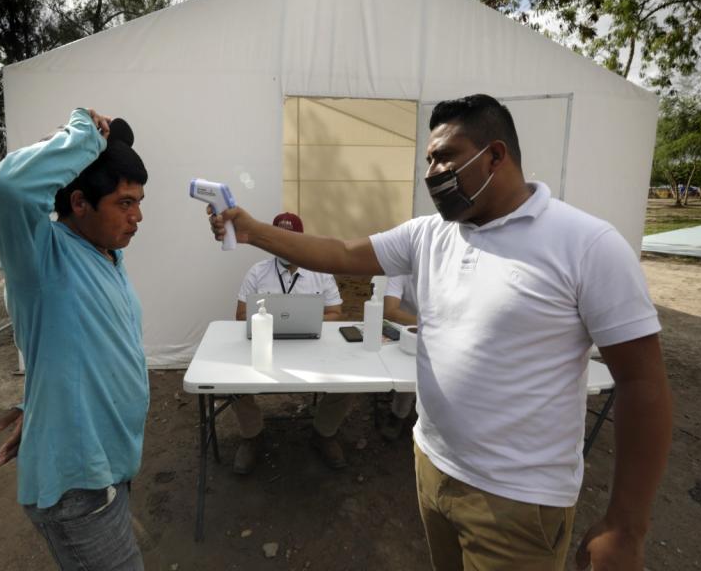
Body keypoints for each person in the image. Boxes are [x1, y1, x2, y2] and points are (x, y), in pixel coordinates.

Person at [207, 94, 672, 571]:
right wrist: (253, 232)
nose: (432, 172)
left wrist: (625, 526)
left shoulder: (587, 245)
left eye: (445, 156)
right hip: (432, 467)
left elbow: (643, 385)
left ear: (495, 154)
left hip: (518, 500)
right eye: (428, 160)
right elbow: (342, 252)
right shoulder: (428, 235)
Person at [0, 108, 149, 570]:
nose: (137, 217)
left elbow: (82, 341)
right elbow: (3, 189)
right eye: (125, 203)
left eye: (138, 202)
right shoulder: (40, 255)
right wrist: (83, 134)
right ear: (79, 203)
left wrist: (39, 405)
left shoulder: (107, 253)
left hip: (108, 464)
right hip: (80, 487)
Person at [231, 211, 350, 473]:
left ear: (301, 239)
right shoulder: (257, 272)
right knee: (231, 381)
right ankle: (253, 436)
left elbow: (336, 314)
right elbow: (240, 315)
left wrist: (309, 326)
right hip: (264, 345)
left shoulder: (320, 272)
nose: (286, 244)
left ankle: (324, 433)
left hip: (312, 345)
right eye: (279, 238)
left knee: (350, 381)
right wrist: (267, 328)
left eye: (292, 238)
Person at [380, 274, 417, 441]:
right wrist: (428, 322)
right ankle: (398, 415)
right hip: (405, 332)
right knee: (409, 368)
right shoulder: (402, 270)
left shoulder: (451, 271)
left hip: (444, 331)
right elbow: (389, 311)